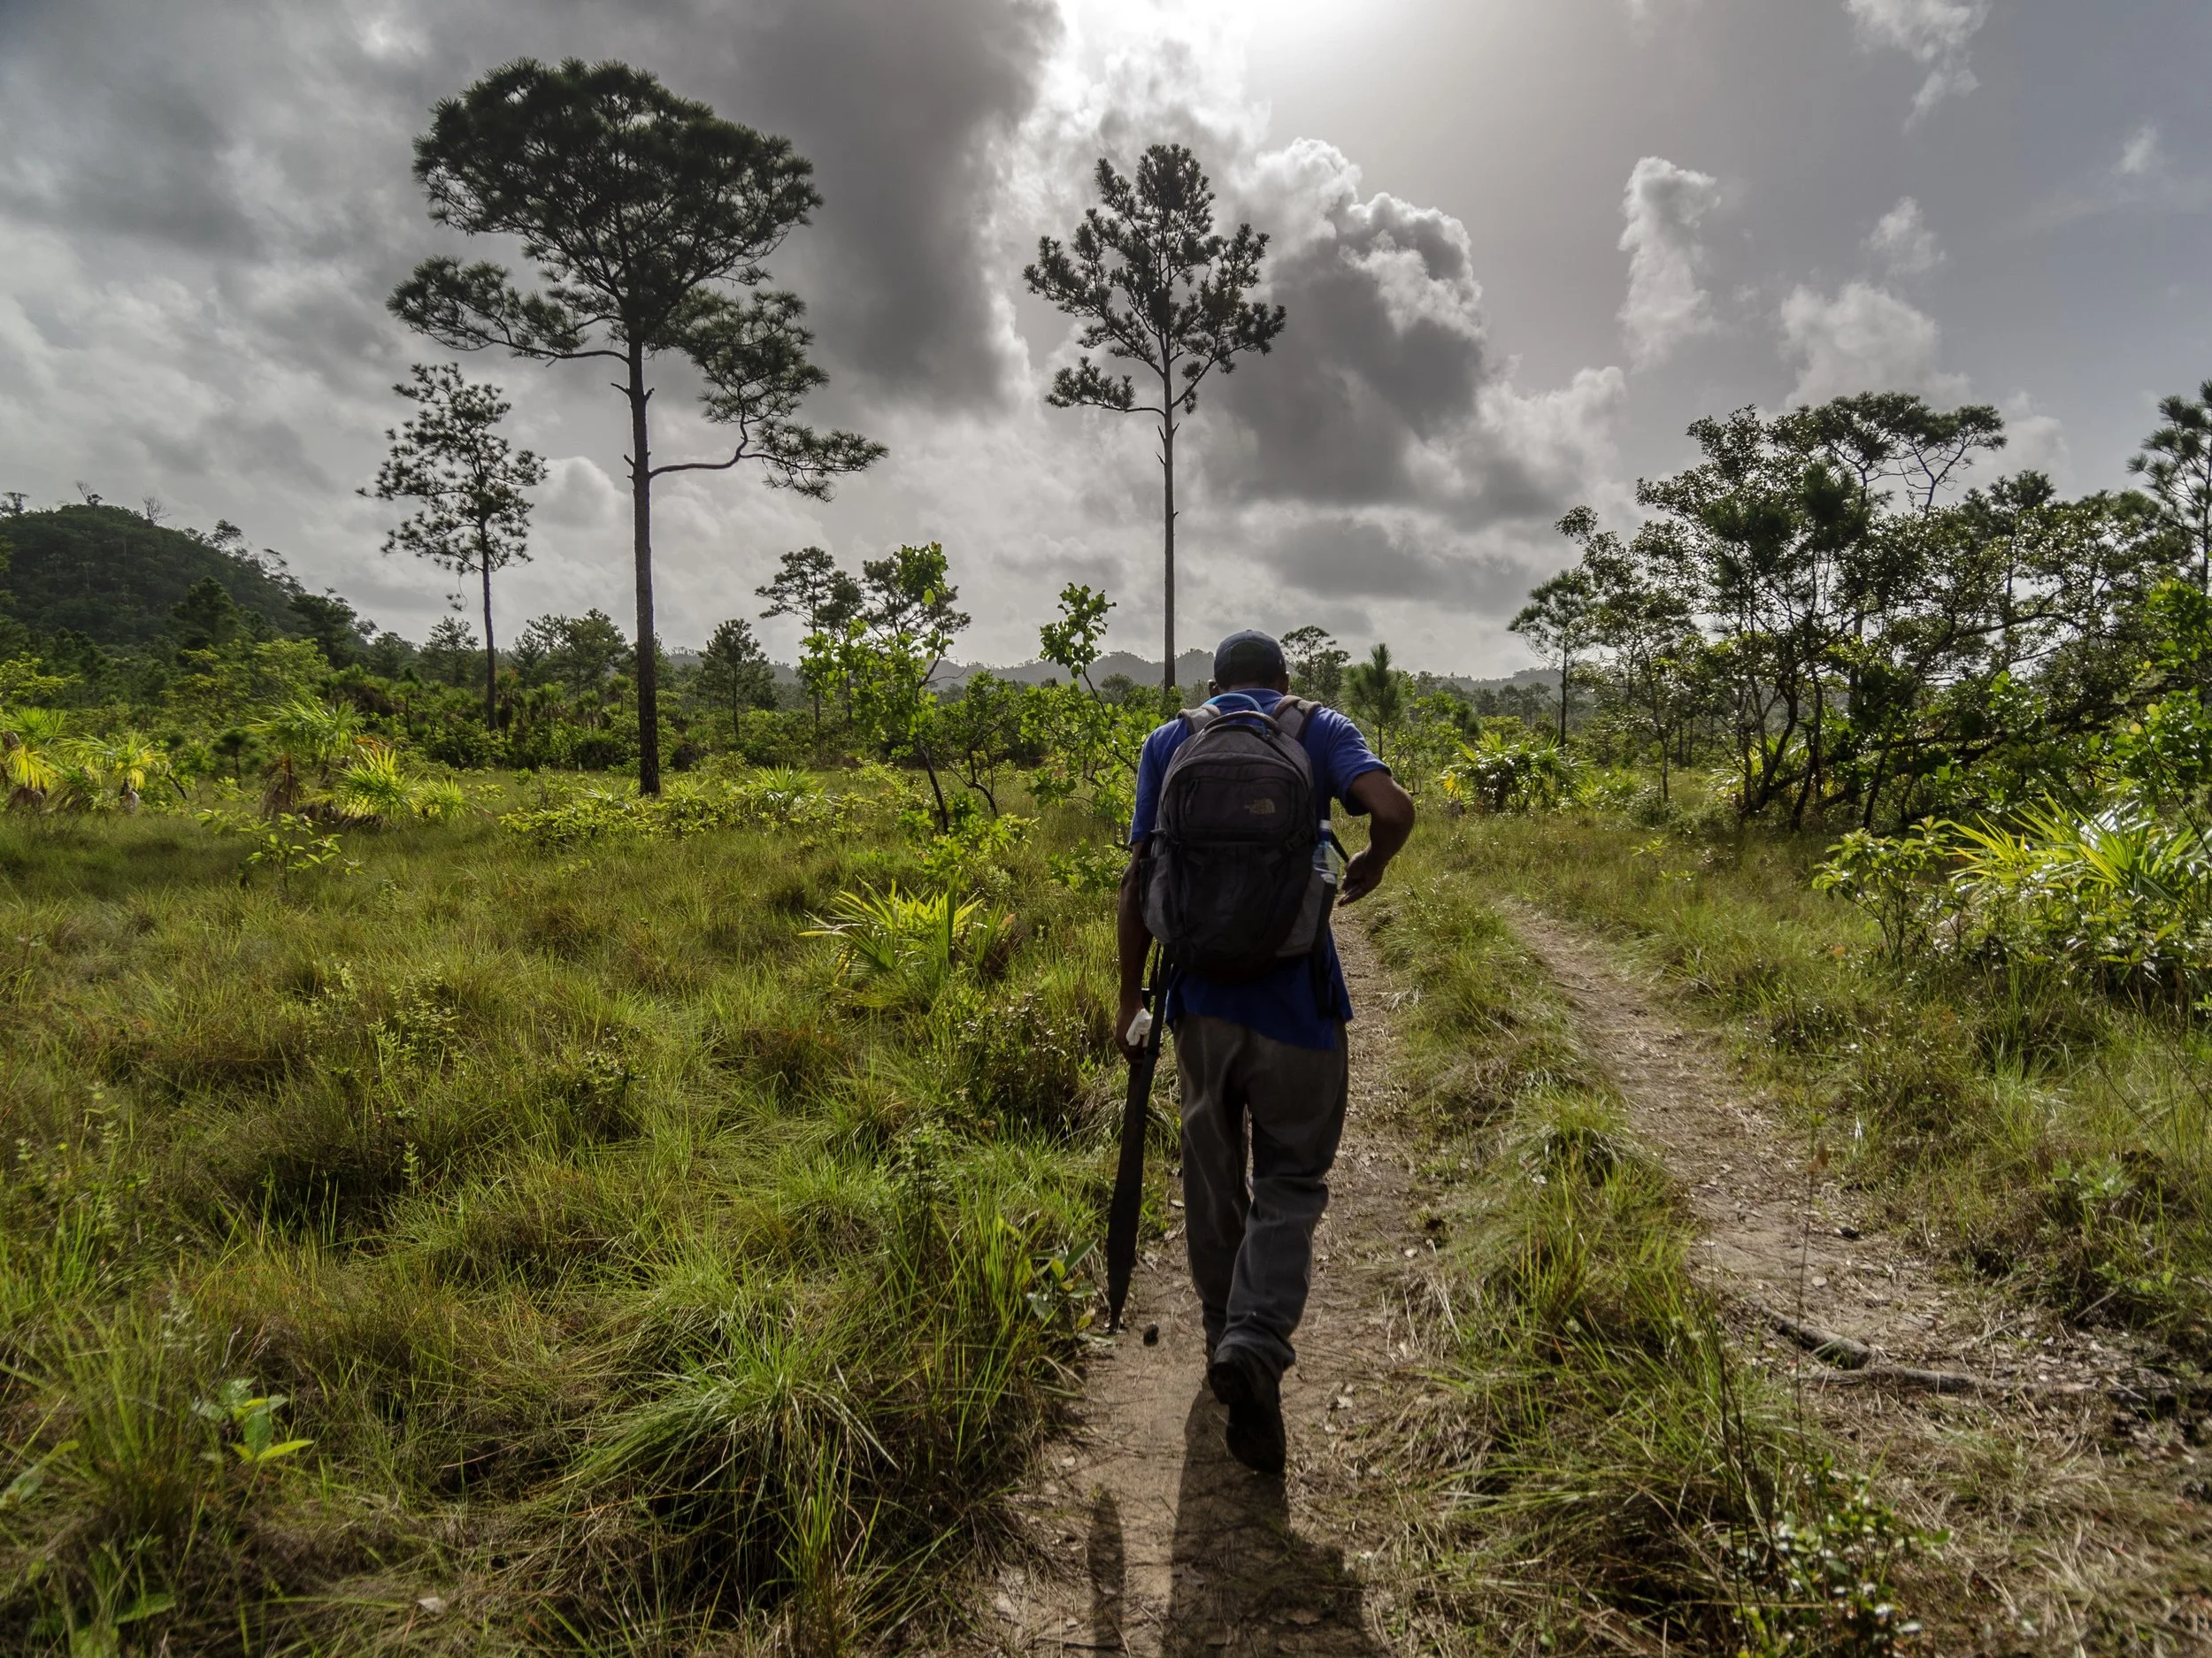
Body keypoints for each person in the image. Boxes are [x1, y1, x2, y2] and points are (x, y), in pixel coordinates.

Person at [1118, 629, 1417, 1475]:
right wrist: (1372, 862)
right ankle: (1255, 1340)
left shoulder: (1171, 741)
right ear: (1286, 681)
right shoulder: (1318, 729)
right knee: (1290, 1181)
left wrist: (1131, 998)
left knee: (1212, 1180)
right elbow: (1393, 811)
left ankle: (1226, 1336)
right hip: (1300, 1006)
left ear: (1214, 685)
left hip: (1199, 1004)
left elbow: (1139, 882)